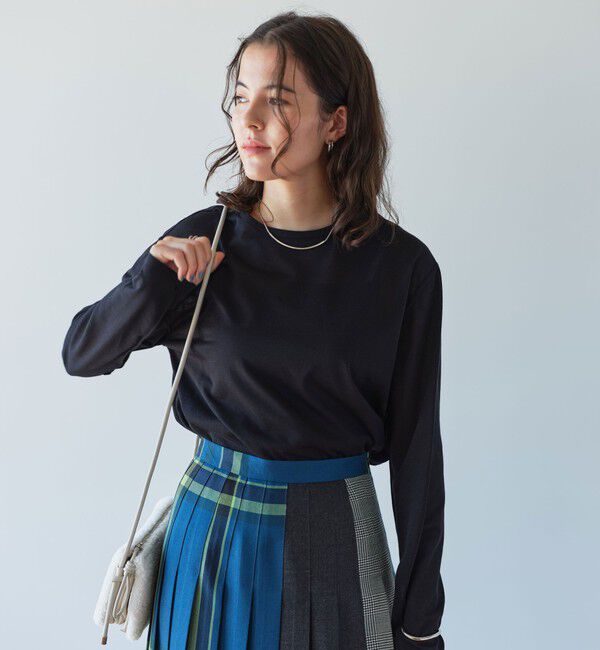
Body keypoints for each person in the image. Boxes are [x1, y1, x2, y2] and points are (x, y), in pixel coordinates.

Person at [62, 10, 446, 650]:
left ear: (337, 122)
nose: (250, 118)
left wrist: (419, 618)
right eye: (241, 97)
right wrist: (152, 280)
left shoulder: (402, 268)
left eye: (279, 100)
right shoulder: (202, 244)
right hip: (208, 539)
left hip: (337, 536)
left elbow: (418, 453)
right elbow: (82, 353)